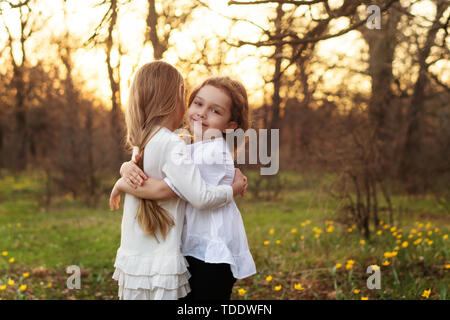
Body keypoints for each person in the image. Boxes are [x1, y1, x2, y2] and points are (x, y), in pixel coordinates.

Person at [108, 62, 248, 300]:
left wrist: (122, 183)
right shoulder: (182, 141)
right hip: (192, 248)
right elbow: (151, 166)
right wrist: (126, 168)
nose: (202, 113)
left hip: (209, 252)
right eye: (198, 103)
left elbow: (166, 188)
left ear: (230, 126)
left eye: (215, 111)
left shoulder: (210, 152)